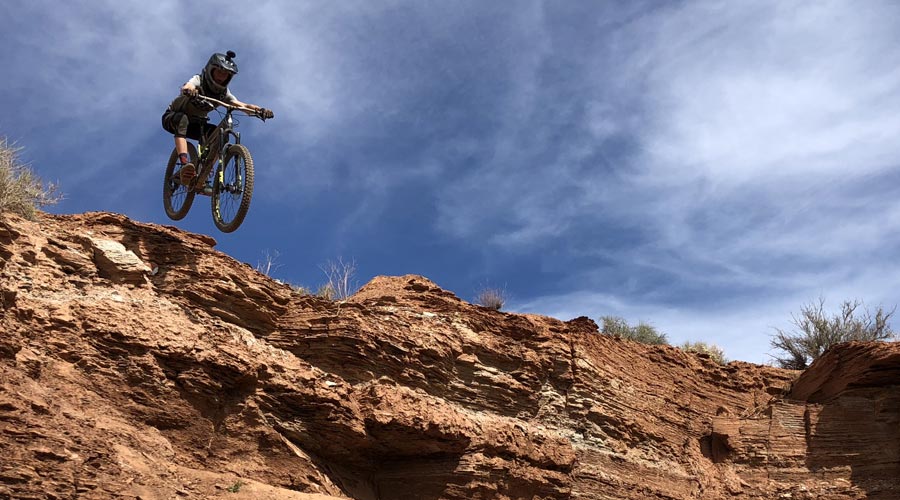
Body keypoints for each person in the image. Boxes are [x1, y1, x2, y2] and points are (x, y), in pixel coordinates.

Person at [161, 51, 273, 187]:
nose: (221, 77)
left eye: (226, 74)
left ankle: (205, 171)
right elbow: (188, 86)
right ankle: (185, 164)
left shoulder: (223, 94)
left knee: (218, 136)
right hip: (172, 118)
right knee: (182, 120)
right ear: (210, 69)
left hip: (197, 124)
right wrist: (190, 90)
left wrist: (260, 110)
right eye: (219, 72)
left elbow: (242, 105)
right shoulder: (199, 80)